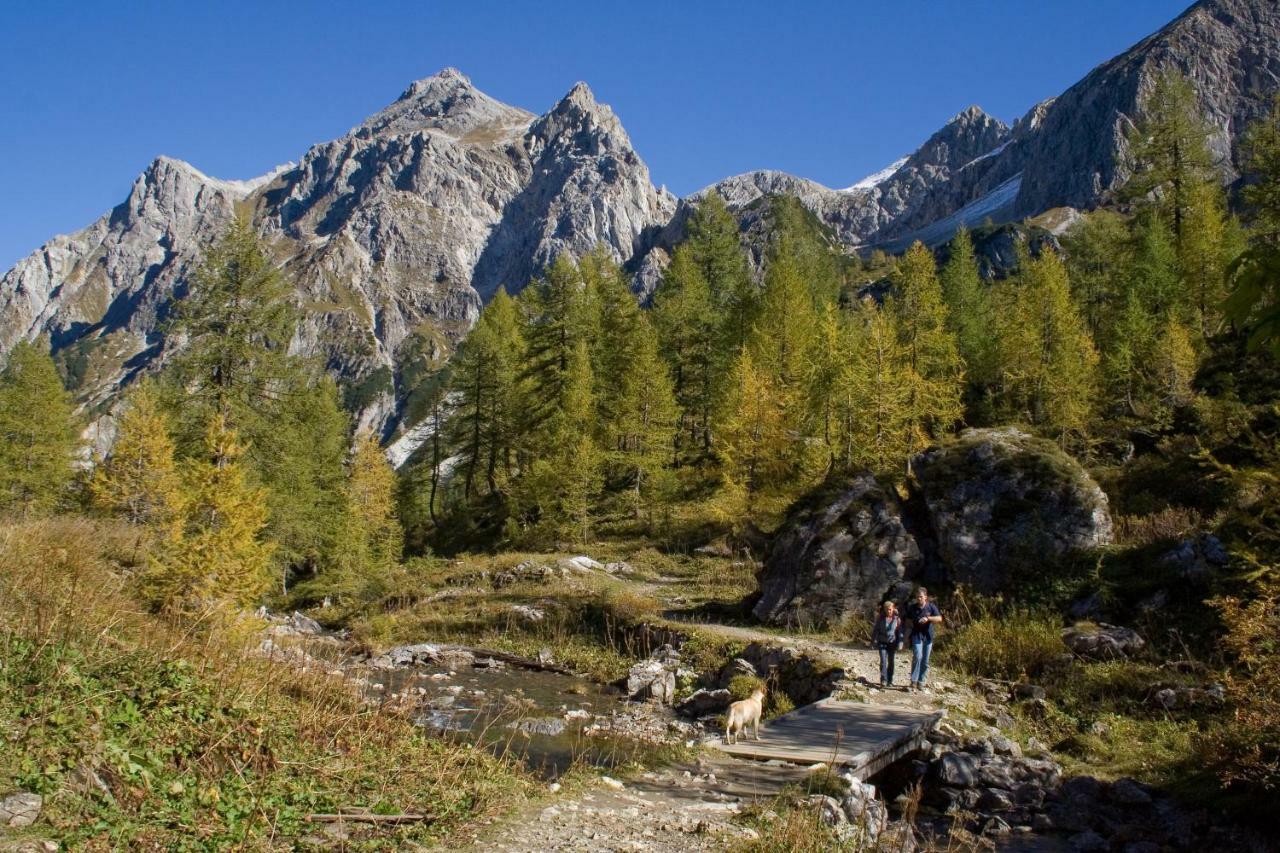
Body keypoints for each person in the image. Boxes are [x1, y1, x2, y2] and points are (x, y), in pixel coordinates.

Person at [905, 586, 942, 692]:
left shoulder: (931, 607)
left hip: (928, 636)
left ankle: (921, 681)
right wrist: (906, 637)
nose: (919, 599)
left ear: (925, 597)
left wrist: (928, 618)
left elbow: (939, 618)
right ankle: (913, 681)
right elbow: (907, 621)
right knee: (917, 656)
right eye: (917, 597)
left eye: (921, 597)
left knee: (925, 660)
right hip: (916, 634)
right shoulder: (912, 608)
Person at [870, 600, 903, 687]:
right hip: (882, 642)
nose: (889, 611)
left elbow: (899, 632)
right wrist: (872, 641)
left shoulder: (897, 619)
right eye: (887, 609)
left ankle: (890, 680)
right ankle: (883, 680)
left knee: (891, 662)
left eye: (890, 609)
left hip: (892, 643)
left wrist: (900, 642)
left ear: (893, 609)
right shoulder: (880, 619)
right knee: (883, 661)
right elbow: (875, 630)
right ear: (884, 610)